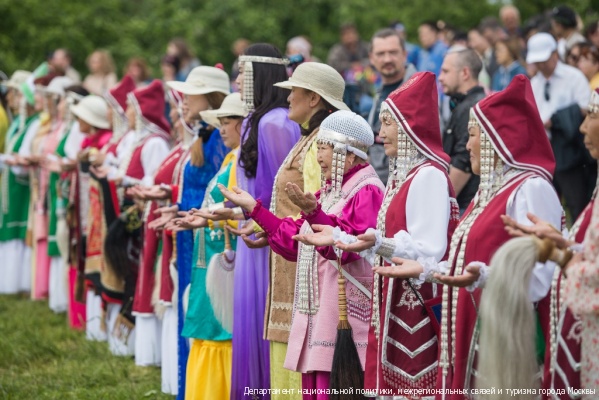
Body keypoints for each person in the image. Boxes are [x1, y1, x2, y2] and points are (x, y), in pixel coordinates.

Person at [372, 75, 562, 397]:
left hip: (510, 335)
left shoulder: (531, 188)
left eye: (473, 135)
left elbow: (539, 279)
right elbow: (464, 261)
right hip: (477, 322)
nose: (467, 145)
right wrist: (427, 270)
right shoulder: (488, 193)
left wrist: (482, 277)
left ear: (498, 140)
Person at [219, 110, 384, 398]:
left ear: (347, 154)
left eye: (324, 148)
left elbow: (346, 246)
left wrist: (314, 212)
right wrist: (255, 210)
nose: (318, 156)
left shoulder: (366, 190)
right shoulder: (330, 192)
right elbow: (294, 239)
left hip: (345, 317)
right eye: (318, 147)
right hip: (323, 313)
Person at [333, 72, 459, 397]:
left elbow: (430, 251)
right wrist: (373, 243)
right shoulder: (402, 176)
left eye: (388, 123)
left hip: (415, 305)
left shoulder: (429, 175)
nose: (380, 133)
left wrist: (379, 243)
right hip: (395, 300)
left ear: (409, 127)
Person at [236, 61, 347, 400]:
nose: (288, 98)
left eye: (294, 91)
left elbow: (319, 210)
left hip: (305, 270)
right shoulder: (309, 140)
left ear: (313, 99)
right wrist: (269, 230)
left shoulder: (318, 147)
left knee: (299, 368)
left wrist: (270, 225)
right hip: (290, 259)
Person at [196, 44, 300, 400]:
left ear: (261, 75)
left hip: (267, 241)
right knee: (248, 325)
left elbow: (285, 193)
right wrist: (234, 212)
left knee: (260, 325)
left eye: (244, 72)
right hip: (252, 233)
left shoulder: (276, 123)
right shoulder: (257, 120)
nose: (238, 79)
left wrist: (257, 223)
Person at [501, 87, 599, 399]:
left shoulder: (531, 186)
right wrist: (565, 244)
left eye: (592, 116)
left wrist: (558, 255)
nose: (583, 126)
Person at [169, 92, 246, 400]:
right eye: (221, 122)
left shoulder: (242, 161)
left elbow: (246, 210)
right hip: (209, 258)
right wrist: (202, 219)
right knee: (207, 326)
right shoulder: (230, 158)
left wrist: (211, 220)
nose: (222, 129)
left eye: (228, 122)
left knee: (221, 331)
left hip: (223, 259)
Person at [162, 65, 230, 398]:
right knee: (189, 306)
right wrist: (176, 209)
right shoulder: (203, 136)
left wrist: (186, 212)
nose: (182, 101)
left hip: (211, 237)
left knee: (204, 311)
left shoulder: (219, 139)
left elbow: (220, 191)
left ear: (211, 99)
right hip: (191, 233)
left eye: (190, 94)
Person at [527, 32, 594, 222]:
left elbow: (585, 108)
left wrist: (557, 119)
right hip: (544, 148)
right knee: (546, 203)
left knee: (576, 202)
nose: (540, 65)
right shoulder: (535, 83)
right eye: (537, 61)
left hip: (570, 148)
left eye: (544, 60)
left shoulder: (573, 77)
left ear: (555, 54)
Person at [0, 70, 35, 295]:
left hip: (20, 182)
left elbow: (23, 157)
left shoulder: (31, 124)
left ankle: (17, 282)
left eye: (15, 93)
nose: (10, 98)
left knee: (18, 229)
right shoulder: (17, 123)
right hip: (11, 180)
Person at [366, 28, 416, 185]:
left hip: (405, 185)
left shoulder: (416, 90)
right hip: (380, 185)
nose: (387, 59)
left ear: (404, 54)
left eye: (393, 52)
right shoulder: (380, 91)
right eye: (381, 54)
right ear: (371, 58)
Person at [439, 47, 485, 213]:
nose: (440, 77)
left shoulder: (470, 108)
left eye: (445, 71)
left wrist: (440, 205)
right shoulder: (468, 105)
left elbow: (463, 162)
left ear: (465, 73)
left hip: (465, 204)